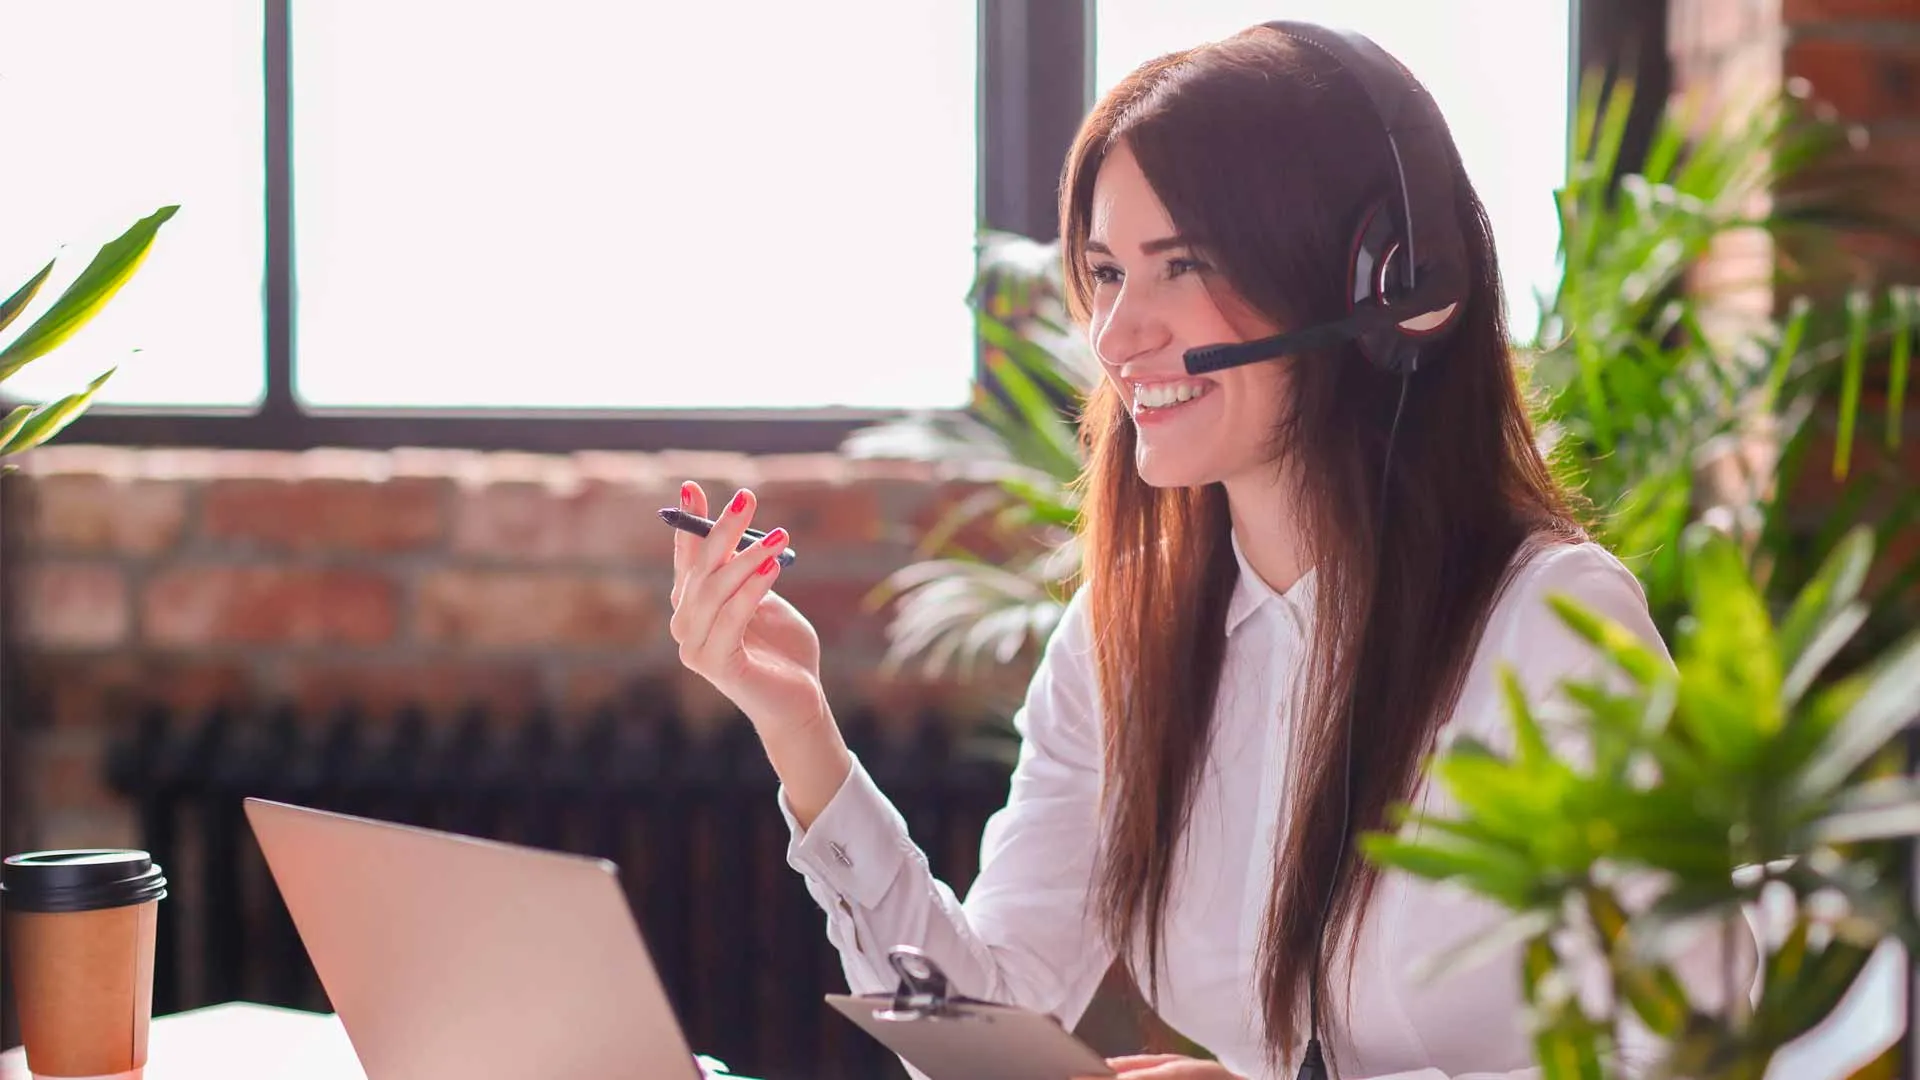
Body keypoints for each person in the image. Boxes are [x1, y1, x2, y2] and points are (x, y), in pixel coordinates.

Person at [666, 21, 1754, 1080]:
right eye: (1105, 271)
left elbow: (1686, 1048)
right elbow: (988, 1021)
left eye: (1179, 264)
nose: (1114, 334)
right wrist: (799, 730)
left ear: (1384, 289)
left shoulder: (1549, 628)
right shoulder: (1124, 632)